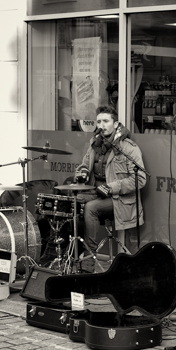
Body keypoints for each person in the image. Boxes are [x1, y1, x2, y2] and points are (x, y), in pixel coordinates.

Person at [73, 105, 146, 270]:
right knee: (72, 202)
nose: (101, 125)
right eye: (99, 122)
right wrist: (82, 173)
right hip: (96, 192)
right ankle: (67, 253)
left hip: (119, 199)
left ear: (116, 124)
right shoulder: (94, 144)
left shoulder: (128, 147)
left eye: (106, 121)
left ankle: (88, 262)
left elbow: (140, 179)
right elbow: (84, 165)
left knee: (90, 208)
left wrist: (112, 187)